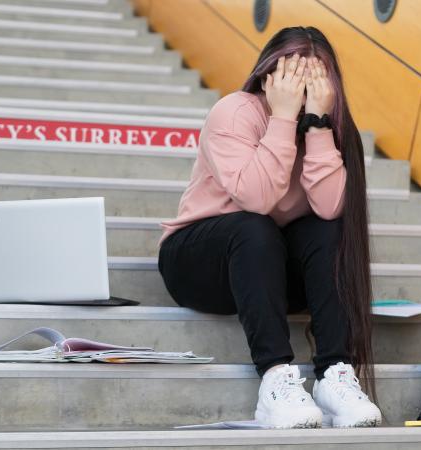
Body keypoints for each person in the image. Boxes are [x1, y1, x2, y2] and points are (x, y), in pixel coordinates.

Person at [157, 26, 381, 428]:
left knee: (327, 229)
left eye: (314, 80)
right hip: (200, 264)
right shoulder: (235, 111)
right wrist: (281, 117)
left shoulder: (332, 129)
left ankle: (335, 376)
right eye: (292, 77)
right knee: (253, 227)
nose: (303, 88)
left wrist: (316, 124)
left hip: (269, 271)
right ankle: (276, 379)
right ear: (268, 77)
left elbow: (330, 209)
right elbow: (256, 199)